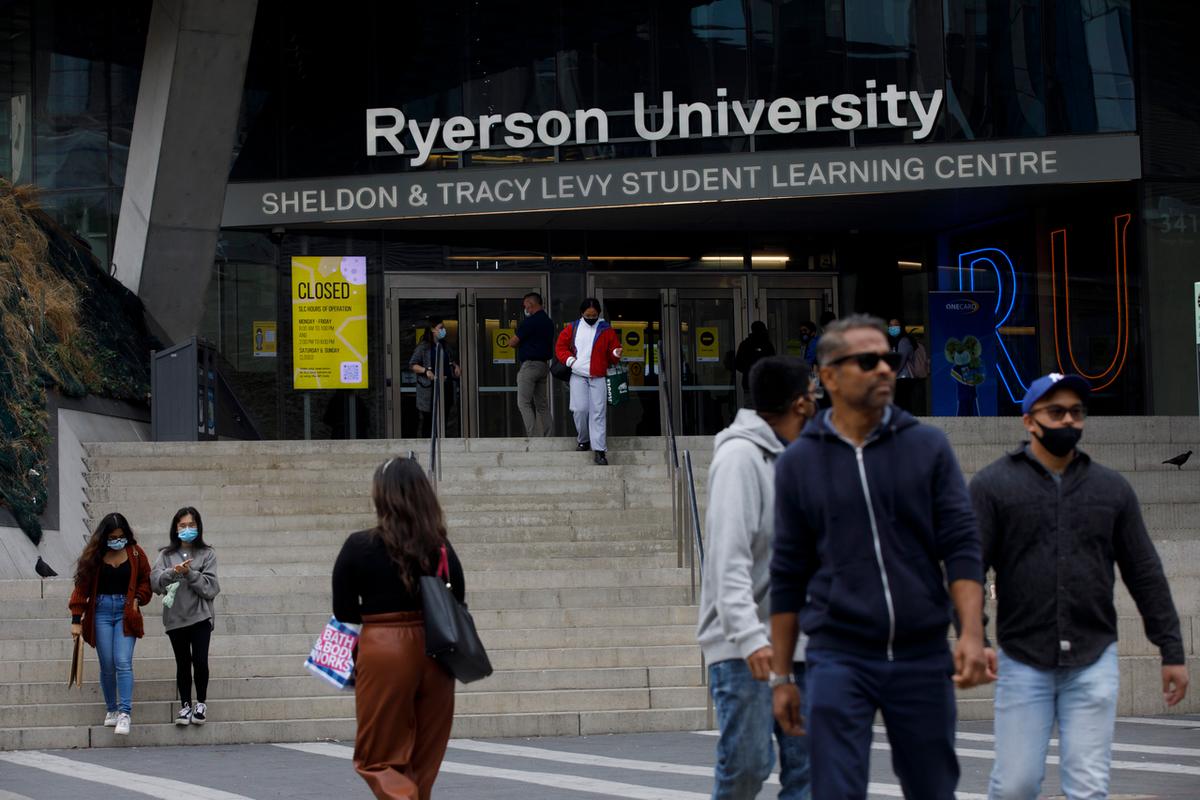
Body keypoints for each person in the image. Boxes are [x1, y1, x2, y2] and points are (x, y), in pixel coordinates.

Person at [769, 314, 991, 800]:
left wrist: (973, 633)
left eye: (888, 359)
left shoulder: (928, 446)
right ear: (828, 376)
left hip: (922, 655)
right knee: (836, 791)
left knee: (933, 789)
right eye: (867, 361)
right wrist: (783, 676)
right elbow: (787, 573)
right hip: (837, 657)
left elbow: (960, 544)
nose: (886, 369)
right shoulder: (799, 463)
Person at [970, 373, 1189, 800]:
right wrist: (974, 634)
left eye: (1076, 412)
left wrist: (1172, 650)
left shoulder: (1111, 489)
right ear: (1029, 421)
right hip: (1022, 659)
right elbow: (967, 567)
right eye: (1056, 412)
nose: (1068, 420)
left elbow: (1144, 572)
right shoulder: (993, 486)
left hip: (1093, 659)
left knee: (1088, 787)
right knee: (1015, 785)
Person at [697, 356, 816, 800]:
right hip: (744, 647)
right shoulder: (740, 459)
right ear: (798, 402)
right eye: (812, 396)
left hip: (804, 645)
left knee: (808, 773)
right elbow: (728, 559)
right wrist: (750, 639)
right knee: (748, 766)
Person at [333, 457, 464, 799]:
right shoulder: (440, 547)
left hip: (383, 646)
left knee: (377, 760)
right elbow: (459, 599)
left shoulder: (358, 546)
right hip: (437, 651)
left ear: (382, 497)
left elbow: (343, 609)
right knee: (424, 762)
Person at [68, 512, 152, 736]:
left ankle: (125, 712)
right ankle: (112, 710)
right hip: (101, 611)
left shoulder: (135, 553)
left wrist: (137, 599)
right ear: (104, 536)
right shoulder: (95, 556)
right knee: (107, 663)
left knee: (123, 661)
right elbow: (81, 588)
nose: (117, 540)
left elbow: (146, 580)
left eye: (121, 535)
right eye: (113, 536)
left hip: (126, 611)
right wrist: (76, 620)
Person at [151, 506, 220, 727]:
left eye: (191, 525)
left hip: (200, 617)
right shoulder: (165, 555)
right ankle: (185, 705)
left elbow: (211, 588)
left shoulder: (207, 554)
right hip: (175, 618)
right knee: (182, 663)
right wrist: (174, 571)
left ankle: (201, 703)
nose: (187, 529)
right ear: (175, 528)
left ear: (198, 527)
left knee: (200, 661)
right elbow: (155, 582)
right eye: (182, 525)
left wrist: (189, 573)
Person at [555, 298, 622, 466]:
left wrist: (616, 352)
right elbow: (560, 347)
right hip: (578, 375)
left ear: (599, 314)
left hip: (598, 376)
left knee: (598, 413)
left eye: (594, 315)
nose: (591, 317)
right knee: (579, 410)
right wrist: (571, 362)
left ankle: (599, 450)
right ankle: (583, 439)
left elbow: (613, 353)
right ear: (582, 313)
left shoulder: (606, 329)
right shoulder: (573, 327)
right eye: (588, 315)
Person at [509, 291, 554, 437]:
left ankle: (533, 437)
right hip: (543, 366)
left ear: (530, 303)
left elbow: (513, 342)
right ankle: (548, 436)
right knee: (542, 405)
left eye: (525, 305)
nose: (525, 308)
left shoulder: (529, 322)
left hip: (530, 366)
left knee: (524, 403)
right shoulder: (548, 322)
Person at [409, 317, 460, 437]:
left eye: (444, 328)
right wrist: (426, 371)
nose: (443, 330)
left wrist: (455, 366)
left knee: (444, 419)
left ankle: (442, 444)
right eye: (440, 328)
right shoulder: (424, 347)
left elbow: (450, 360)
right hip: (430, 390)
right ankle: (428, 446)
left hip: (445, 388)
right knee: (429, 421)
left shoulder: (444, 346)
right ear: (432, 329)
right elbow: (412, 365)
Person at [734, 321, 775, 395]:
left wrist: (748, 370)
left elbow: (738, 364)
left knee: (750, 404)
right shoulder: (767, 345)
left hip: (750, 383)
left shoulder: (745, 344)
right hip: (763, 384)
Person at [887, 317, 918, 413]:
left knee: (902, 405)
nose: (893, 328)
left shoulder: (904, 341)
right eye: (891, 325)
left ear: (901, 326)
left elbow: (900, 361)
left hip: (903, 379)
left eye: (896, 325)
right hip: (898, 378)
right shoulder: (893, 342)